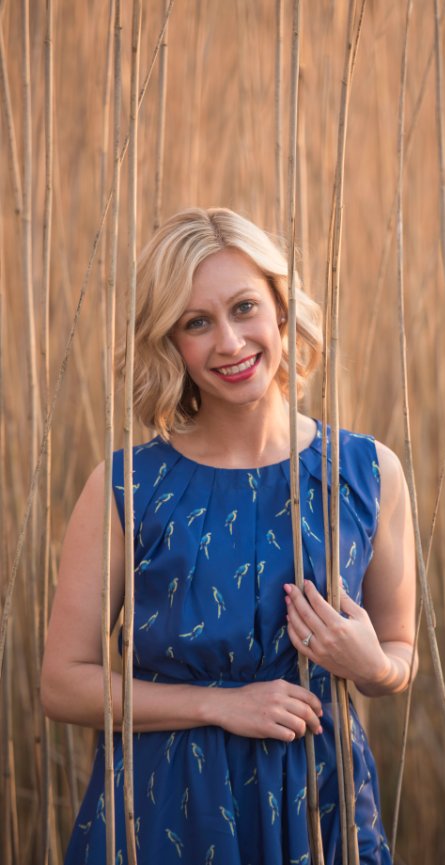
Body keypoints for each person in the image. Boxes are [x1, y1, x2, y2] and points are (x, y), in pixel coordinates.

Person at [41, 207, 417, 865]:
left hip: (320, 800)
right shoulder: (127, 486)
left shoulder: (367, 472)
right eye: (196, 322)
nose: (229, 342)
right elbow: (62, 683)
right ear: (170, 343)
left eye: (244, 308)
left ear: (280, 309)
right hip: (165, 807)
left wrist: (371, 666)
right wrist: (219, 705)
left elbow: (398, 653)